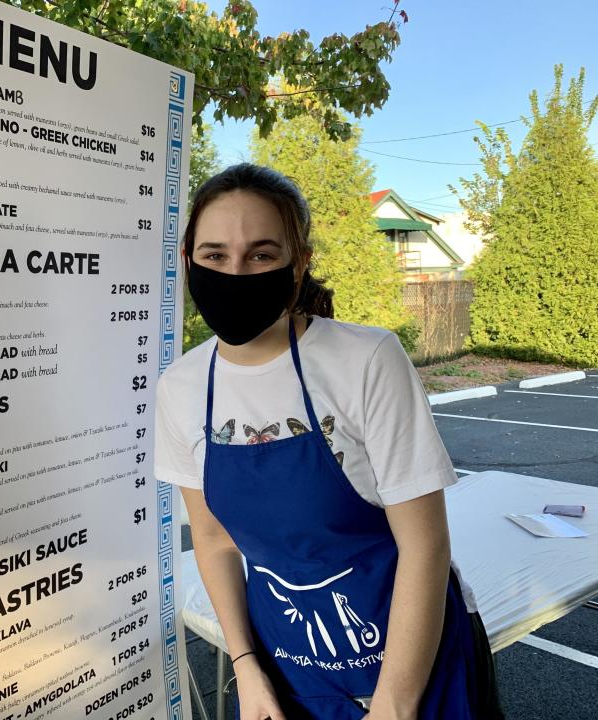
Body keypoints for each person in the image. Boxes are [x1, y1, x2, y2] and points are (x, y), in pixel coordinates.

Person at [154, 164, 504, 720]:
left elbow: (424, 544)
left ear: (299, 264)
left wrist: (395, 703)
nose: (235, 272)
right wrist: (246, 668)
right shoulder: (181, 387)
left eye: (262, 254)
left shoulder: (365, 360)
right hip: (284, 668)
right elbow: (215, 541)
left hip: (413, 665)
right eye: (215, 255)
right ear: (188, 260)